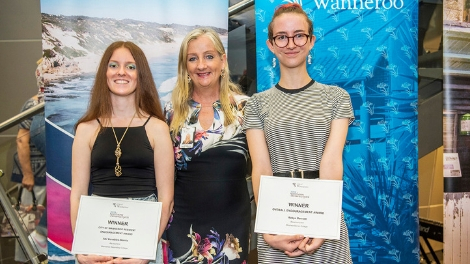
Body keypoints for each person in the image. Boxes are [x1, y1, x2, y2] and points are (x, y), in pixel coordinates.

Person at [243, 3, 354, 263]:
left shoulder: (337, 98)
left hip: (324, 220)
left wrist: (322, 226)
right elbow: (261, 168)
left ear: (311, 40)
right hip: (277, 220)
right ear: (271, 44)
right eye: (281, 37)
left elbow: (331, 163)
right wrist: (269, 229)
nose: (290, 43)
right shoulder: (256, 104)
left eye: (299, 35)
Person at [70, 41, 174, 264]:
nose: (121, 72)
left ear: (141, 74)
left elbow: (166, 199)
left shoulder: (157, 128)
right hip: (97, 236)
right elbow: (77, 195)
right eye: (114, 65)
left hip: (142, 240)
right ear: (104, 73)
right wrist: (81, 250)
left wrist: (145, 252)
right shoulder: (85, 129)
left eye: (131, 66)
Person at [164, 28, 251, 264]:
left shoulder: (246, 109)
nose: (201, 65)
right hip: (182, 228)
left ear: (223, 61)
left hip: (233, 229)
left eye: (209, 56)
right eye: (193, 58)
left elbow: (262, 168)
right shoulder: (170, 114)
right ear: (185, 67)